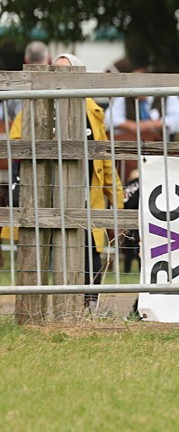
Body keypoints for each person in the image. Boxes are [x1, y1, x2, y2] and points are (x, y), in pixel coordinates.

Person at [2, 53, 122, 309]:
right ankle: (36, 308)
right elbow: (15, 144)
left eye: (66, 70)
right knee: (40, 253)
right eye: (56, 70)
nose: (60, 76)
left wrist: (117, 201)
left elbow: (104, 160)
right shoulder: (36, 102)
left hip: (85, 195)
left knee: (89, 255)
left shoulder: (91, 110)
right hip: (44, 195)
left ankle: (87, 308)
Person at [4, 40, 51, 121]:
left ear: (25, 59)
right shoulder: (55, 84)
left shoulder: (15, 86)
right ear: (48, 59)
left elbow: (8, 114)